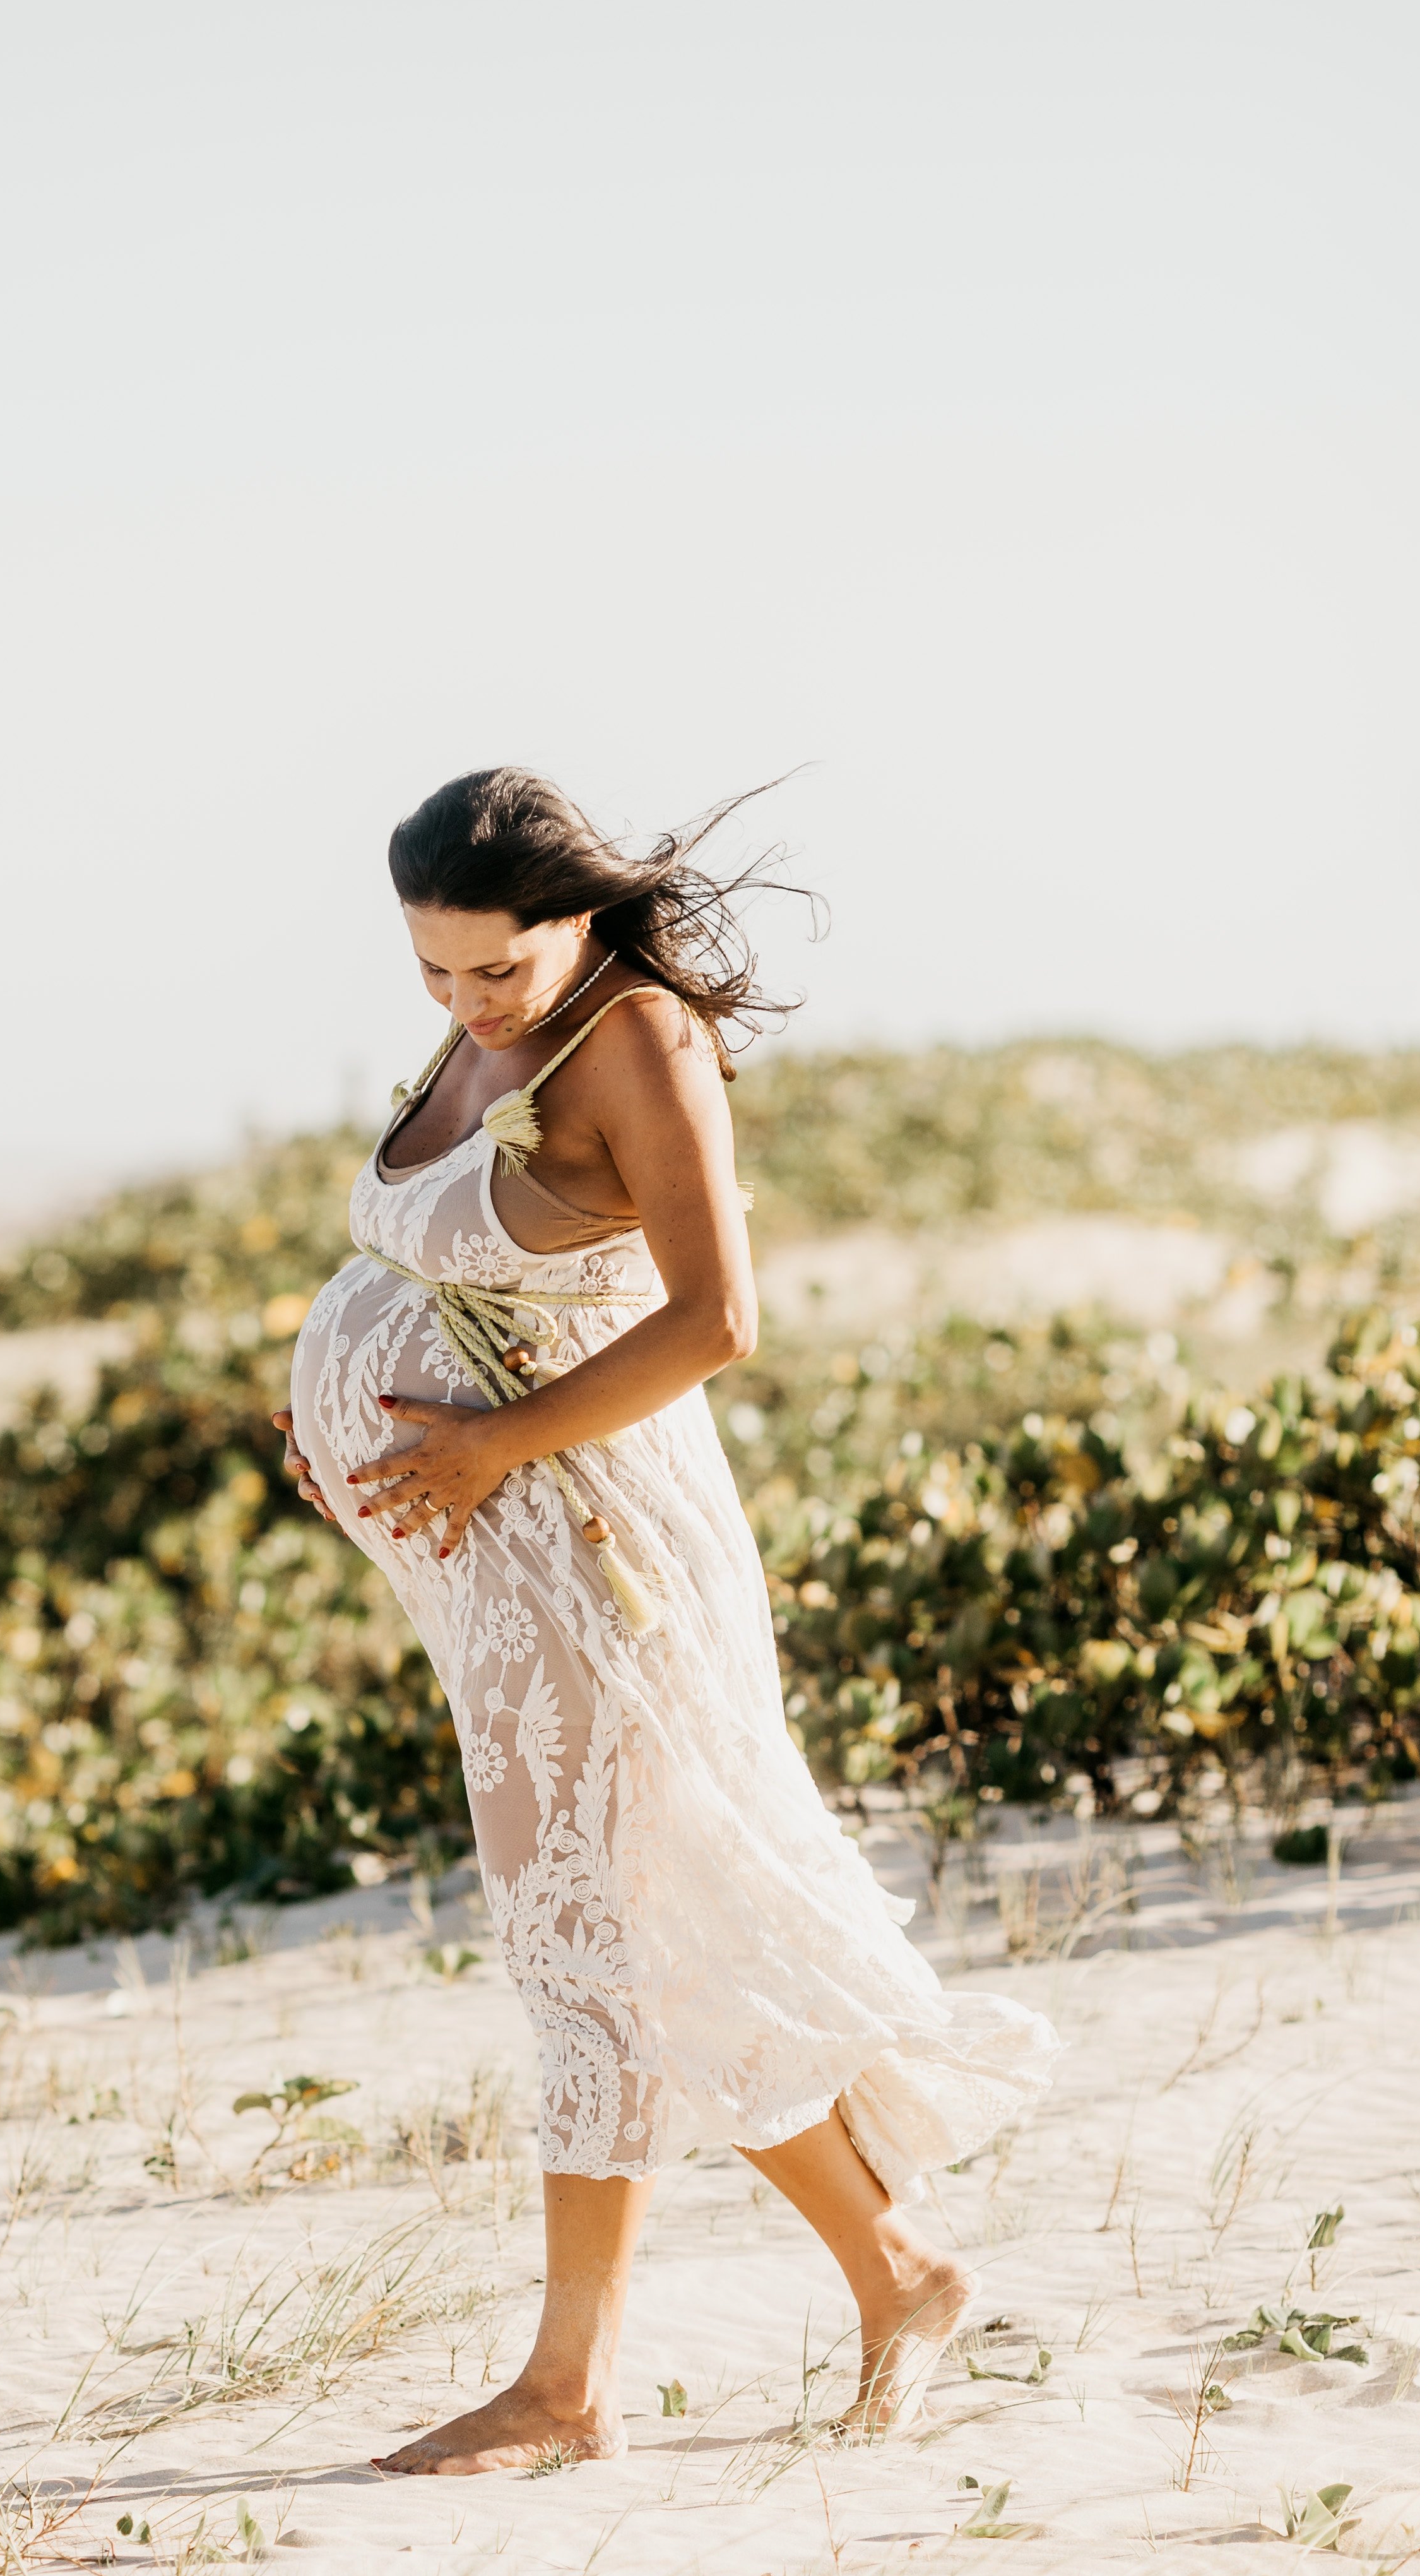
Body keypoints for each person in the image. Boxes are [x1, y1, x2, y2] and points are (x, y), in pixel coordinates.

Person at [276, 769, 1055, 2477]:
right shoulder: (482, 1028)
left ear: (573, 915)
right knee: (615, 1931)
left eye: (494, 969)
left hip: (596, 1541)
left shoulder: (635, 1041)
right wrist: (338, 1397)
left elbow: (718, 1317)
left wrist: (474, 1440)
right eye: (432, 972)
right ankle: (891, 2270)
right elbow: (462, 1268)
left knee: (603, 1935)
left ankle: (575, 2386)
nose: (467, 1004)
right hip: (496, 1552)